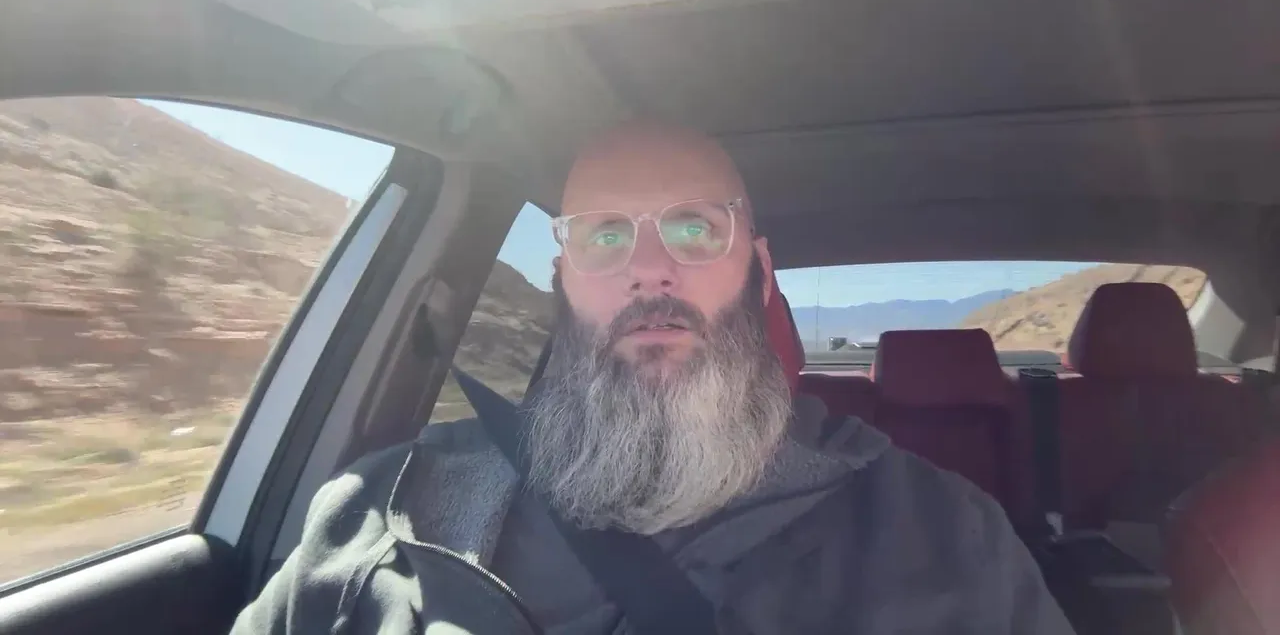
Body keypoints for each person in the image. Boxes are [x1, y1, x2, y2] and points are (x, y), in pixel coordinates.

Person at [231, 123, 1075, 634]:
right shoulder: (381, 513)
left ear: (760, 271)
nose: (648, 268)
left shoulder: (944, 537)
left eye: (695, 228)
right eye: (603, 235)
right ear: (563, 280)